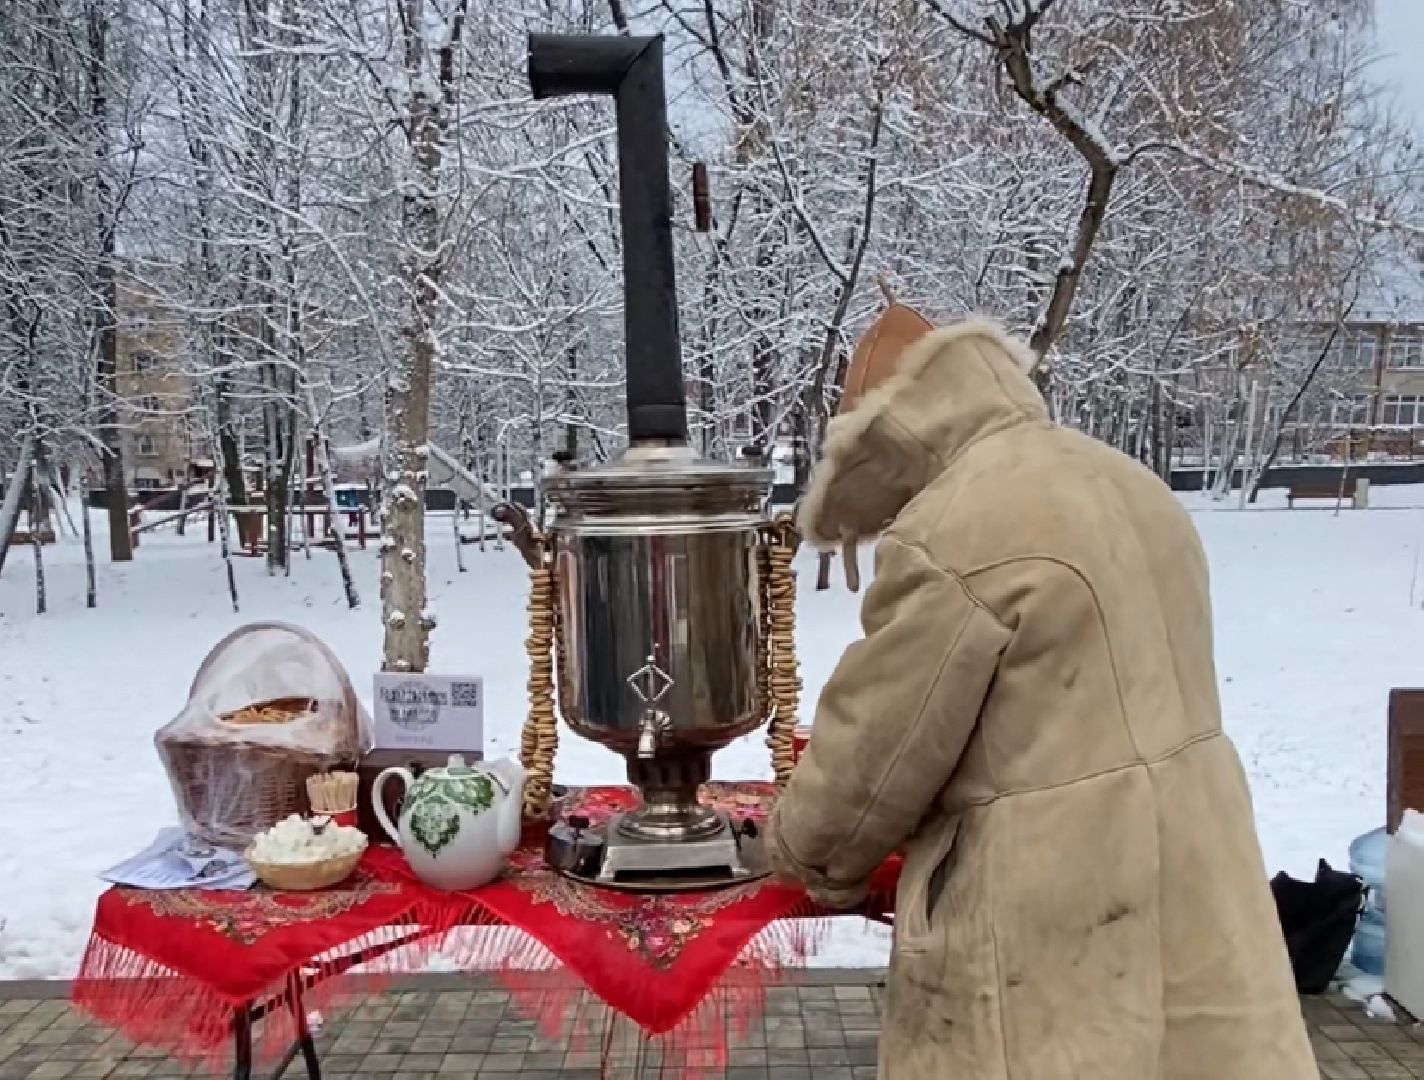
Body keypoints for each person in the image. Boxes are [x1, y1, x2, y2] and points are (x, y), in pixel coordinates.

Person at [767, 309, 1317, 1079]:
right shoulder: (1130, 480)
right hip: (1199, 867)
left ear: (885, 437)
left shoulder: (953, 526)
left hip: (1053, 908)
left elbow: (872, 762)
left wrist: (795, 847)